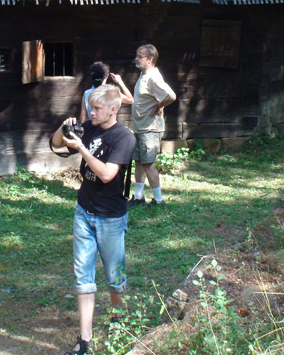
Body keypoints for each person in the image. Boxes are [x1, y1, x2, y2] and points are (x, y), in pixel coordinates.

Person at [50, 84, 135, 355]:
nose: (91, 111)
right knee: (83, 274)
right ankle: (84, 340)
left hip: (110, 217)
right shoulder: (89, 128)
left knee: (114, 275)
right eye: (90, 106)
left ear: (112, 109)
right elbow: (55, 146)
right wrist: (64, 130)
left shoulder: (124, 138)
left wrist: (83, 149)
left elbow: (108, 175)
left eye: (96, 108)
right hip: (84, 212)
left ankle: (119, 320)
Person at [129, 44, 176, 208]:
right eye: (136, 55)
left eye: (139, 56)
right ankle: (138, 197)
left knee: (148, 163)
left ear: (150, 60)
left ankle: (158, 200)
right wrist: (159, 103)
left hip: (150, 129)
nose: (136, 59)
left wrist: (159, 106)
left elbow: (171, 96)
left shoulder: (153, 77)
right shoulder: (144, 75)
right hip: (141, 127)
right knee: (140, 162)